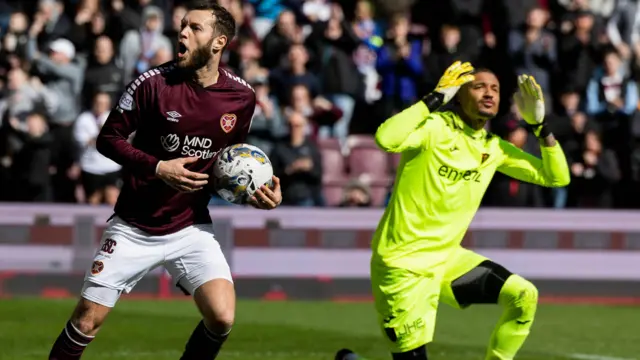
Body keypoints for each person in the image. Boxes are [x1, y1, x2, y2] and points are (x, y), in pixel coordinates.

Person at [47, 2, 282, 360]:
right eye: (182, 26)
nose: (182, 33)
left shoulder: (241, 97)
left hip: (190, 227)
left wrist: (255, 193)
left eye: (194, 28)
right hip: (134, 225)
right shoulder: (153, 83)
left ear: (219, 42)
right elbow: (107, 139)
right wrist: (159, 167)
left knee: (222, 317)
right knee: (86, 321)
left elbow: (228, 166)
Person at [335, 61, 570, 360]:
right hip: (402, 265)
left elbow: (557, 177)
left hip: (447, 260)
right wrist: (434, 98)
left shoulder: (494, 148)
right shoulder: (434, 128)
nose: (489, 93)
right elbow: (386, 138)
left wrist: (540, 127)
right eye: (480, 86)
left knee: (524, 296)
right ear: (458, 95)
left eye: (495, 89)